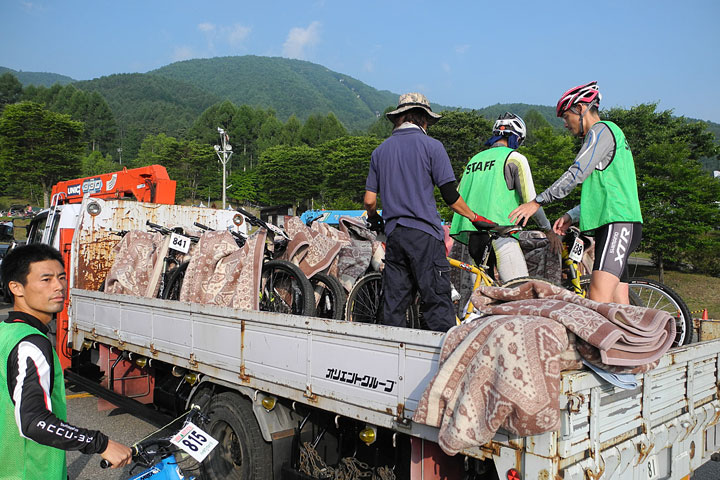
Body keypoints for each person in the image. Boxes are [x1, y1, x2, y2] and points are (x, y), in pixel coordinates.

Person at [0, 243, 132, 479]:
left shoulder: (5, 331)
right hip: (30, 472)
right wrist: (100, 443)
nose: (59, 286)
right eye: (46, 279)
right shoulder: (31, 343)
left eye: (61, 277)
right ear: (16, 287)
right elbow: (33, 421)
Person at [509, 81, 643, 303]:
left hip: (617, 224)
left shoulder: (601, 130)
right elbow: (607, 192)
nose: (564, 124)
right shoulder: (611, 136)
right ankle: (636, 339)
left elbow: (576, 172)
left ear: (581, 108)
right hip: (619, 223)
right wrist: (571, 215)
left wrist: (538, 201)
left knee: (597, 298)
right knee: (620, 306)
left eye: (565, 116)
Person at [364, 92, 485, 332]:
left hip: (395, 236)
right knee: (437, 301)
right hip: (425, 236)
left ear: (399, 118)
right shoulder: (432, 146)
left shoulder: (380, 152)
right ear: (423, 119)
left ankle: (391, 359)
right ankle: (443, 362)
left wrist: (374, 219)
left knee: (394, 303)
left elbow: (369, 201)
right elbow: (450, 196)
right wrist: (474, 217)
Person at [450, 112, 561, 283]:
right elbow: (531, 202)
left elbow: (457, 196)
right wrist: (548, 231)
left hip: (474, 235)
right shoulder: (515, 158)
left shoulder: (474, 161)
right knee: (518, 293)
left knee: (481, 297)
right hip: (502, 234)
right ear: (517, 138)